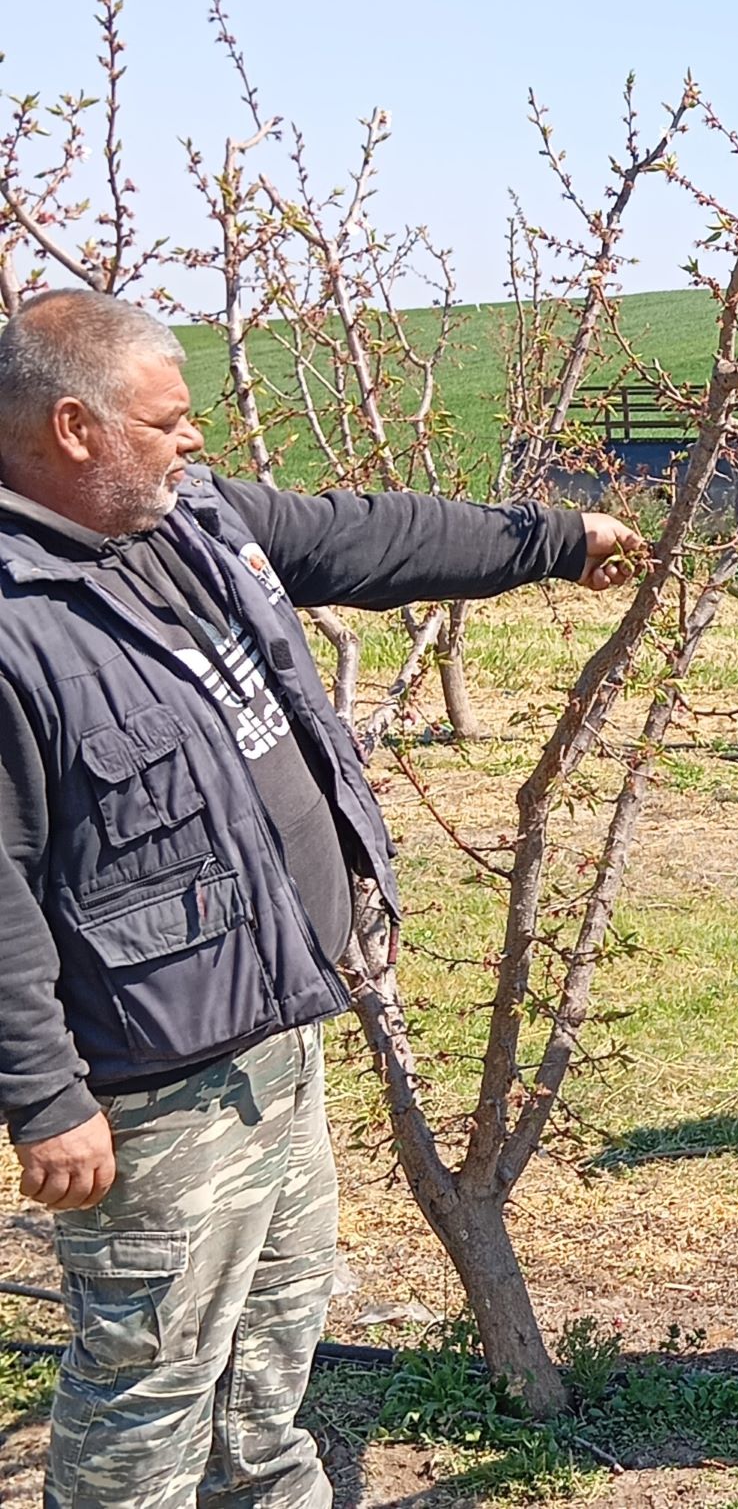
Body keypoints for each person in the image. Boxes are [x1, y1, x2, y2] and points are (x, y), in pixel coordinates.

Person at [0, 290, 649, 1509]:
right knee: (146, 1395)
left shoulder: (189, 517)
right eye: (168, 420)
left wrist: (555, 537)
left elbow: (373, 539)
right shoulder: (13, 616)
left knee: (266, 1370)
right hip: (151, 1091)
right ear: (75, 429)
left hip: (276, 1034)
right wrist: (44, 1097)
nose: (195, 440)